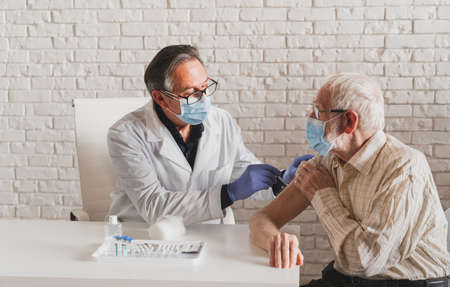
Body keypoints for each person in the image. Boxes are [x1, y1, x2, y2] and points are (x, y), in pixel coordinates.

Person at [249, 73, 450, 287]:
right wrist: (276, 241)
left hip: (410, 283)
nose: (310, 117)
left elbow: (364, 261)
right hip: (348, 280)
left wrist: (323, 194)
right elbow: (262, 219)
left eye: (318, 111)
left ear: (349, 121)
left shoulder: (404, 168)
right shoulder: (328, 161)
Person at [107, 44, 312, 225]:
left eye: (205, 87)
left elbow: (242, 171)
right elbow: (154, 206)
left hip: (209, 233)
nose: (203, 98)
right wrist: (227, 194)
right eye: (190, 93)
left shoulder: (221, 121)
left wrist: (280, 180)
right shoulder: (125, 134)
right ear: (160, 98)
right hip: (145, 235)